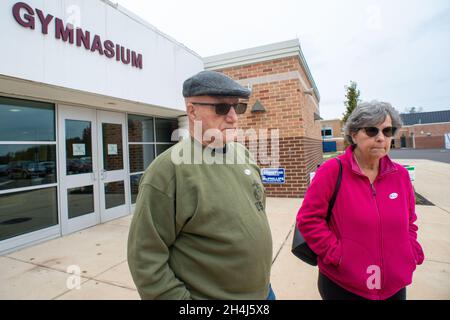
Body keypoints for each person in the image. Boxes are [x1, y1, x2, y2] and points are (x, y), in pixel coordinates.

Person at [127, 70, 274, 300]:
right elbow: (145, 258)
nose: (234, 117)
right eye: (222, 108)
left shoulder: (243, 154)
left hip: (264, 293)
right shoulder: (167, 171)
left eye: (238, 107)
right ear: (192, 111)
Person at [297, 101, 424, 300]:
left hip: (394, 284)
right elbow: (309, 220)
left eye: (387, 131)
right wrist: (338, 256)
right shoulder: (331, 171)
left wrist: (411, 250)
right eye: (372, 131)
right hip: (345, 285)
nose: (381, 138)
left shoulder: (400, 175)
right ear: (354, 134)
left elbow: (410, 222)